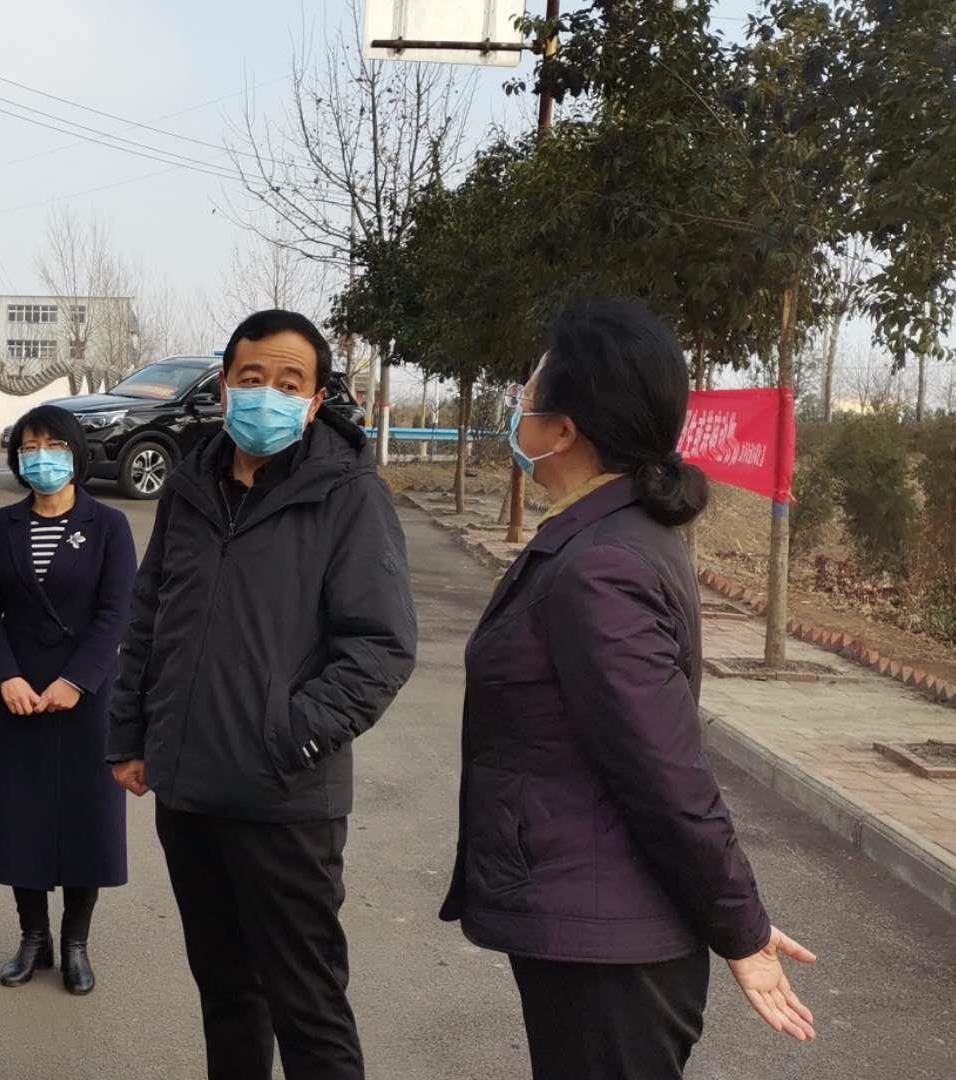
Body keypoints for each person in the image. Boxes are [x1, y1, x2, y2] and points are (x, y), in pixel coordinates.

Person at [440, 301, 817, 1079]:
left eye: (526, 392)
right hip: (594, 932)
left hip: (610, 955)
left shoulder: (601, 563)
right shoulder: (600, 535)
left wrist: (741, 929)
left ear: (563, 429)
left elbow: (664, 772)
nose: (516, 405)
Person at [108, 309, 418, 1080]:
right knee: (225, 995)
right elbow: (150, 614)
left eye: (288, 383)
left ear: (312, 403)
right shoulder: (189, 486)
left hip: (284, 802)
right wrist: (130, 733)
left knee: (307, 1007)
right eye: (252, 378)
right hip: (188, 793)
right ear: (224, 386)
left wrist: (290, 735)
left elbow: (380, 646)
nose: (267, 395)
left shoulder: (348, 495)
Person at [0, 404, 138, 995]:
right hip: (18, 694)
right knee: (23, 818)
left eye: (54, 446)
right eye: (30, 447)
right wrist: (5, 677)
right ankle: (32, 938)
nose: (42, 458)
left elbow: (117, 611)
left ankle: (76, 943)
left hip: (85, 695)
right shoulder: (0, 526)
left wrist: (77, 681)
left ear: (76, 454)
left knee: (85, 820)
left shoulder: (109, 524)